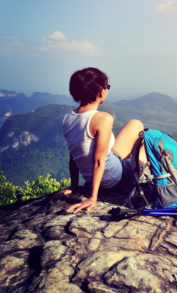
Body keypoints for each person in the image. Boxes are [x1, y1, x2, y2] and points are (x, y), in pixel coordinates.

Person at [53, 67, 146, 213]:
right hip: (115, 178)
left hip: (102, 170)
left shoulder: (68, 117)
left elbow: (74, 154)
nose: (107, 90)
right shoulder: (103, 118)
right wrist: (93, 197)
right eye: (106, 86)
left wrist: (74, 186)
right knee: (149, 143)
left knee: (135, 124)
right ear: (101, 92)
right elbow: (98, 161)